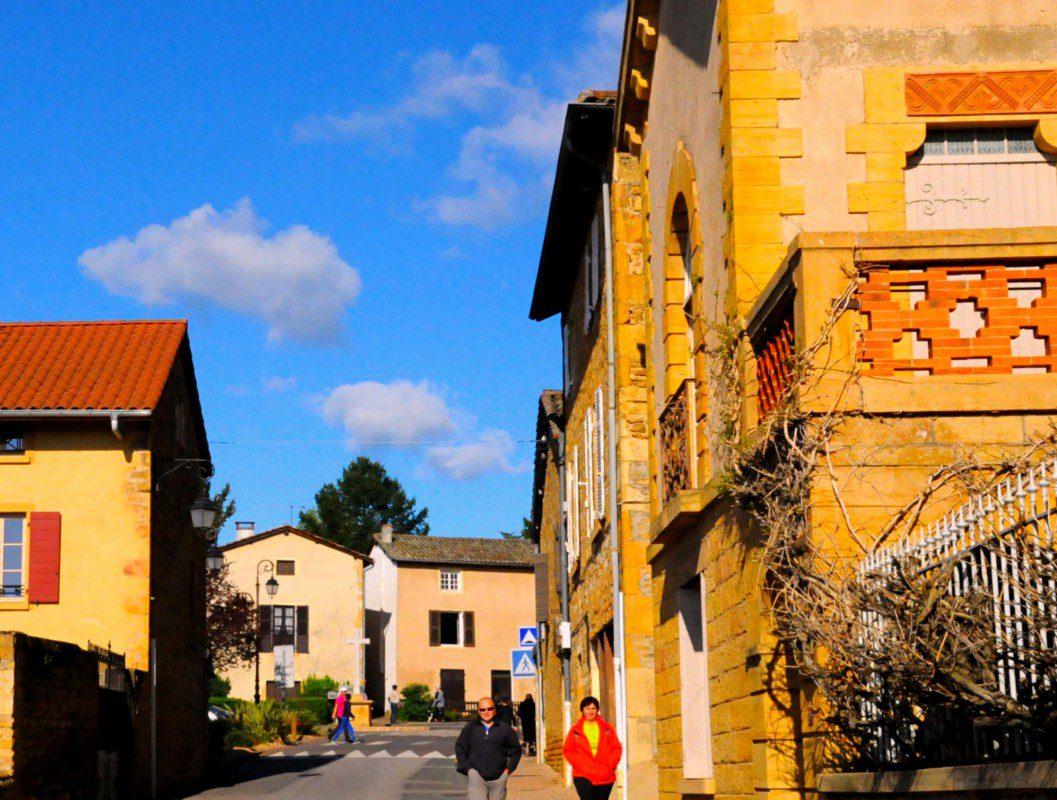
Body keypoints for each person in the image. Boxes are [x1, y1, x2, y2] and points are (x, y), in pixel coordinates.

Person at [455, 696, 522, 800]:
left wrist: (507, 771)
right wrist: (469, 770)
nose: (486, 712)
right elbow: (460, 749)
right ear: (478, 711)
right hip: (476, 777)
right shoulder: (470, 728)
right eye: (483, 709)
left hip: (499, 778)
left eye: (489, 709)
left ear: (494, 710)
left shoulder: (505, 729)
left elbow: (516, 751)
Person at [562, 696, 622, 800]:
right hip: (582, 774)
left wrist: (610, 765)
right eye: (587, 708)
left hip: (604, 775)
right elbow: (567, 749)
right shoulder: (576, 729)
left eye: (593, 708)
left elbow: (616, 748)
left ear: (597, 710)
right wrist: (578, 763)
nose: (590, 711)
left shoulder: (607, 728)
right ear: (582, 710)